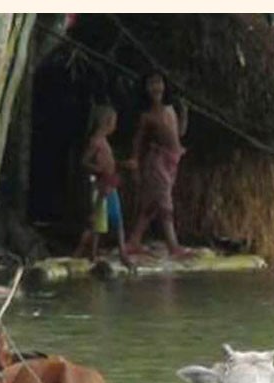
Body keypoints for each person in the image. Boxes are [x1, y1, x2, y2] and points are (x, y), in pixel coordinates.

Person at [126, 72, 193, 258]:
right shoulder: (147, 116)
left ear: (164, 85)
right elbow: (138, 142)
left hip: (173, 159)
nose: (155, 87)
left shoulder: (171, 109)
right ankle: (173, 246)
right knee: (164, 201)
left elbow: (179, 133)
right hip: (158, 162)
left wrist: (185, 112)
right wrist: (134, 161)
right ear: (145, 89)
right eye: (151, 84)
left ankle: (134, 240)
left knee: (152, 204)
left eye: (158, 83)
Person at [73, 104, 133, 268]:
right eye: (114, 122)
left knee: (116, 220)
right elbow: (84, 162)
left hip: (110, 184)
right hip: (101, 186)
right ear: (106, 122)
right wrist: (98, 169)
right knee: (98, 223)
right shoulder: (96, 142)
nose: (115, 125)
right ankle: (92, 253)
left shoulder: (104, 142)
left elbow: (109, 163)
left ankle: (122, 252)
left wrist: (122, 164)